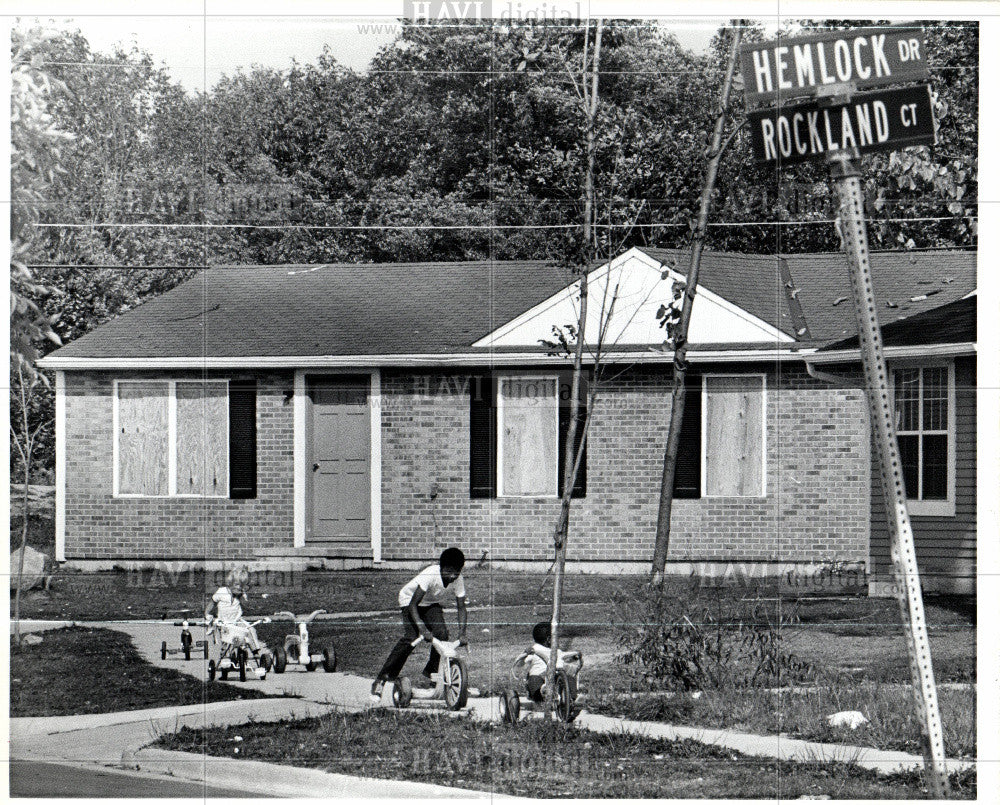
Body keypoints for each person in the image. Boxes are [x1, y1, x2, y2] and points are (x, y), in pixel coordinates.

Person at [370, 547, 468, 700]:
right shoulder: (430, 574)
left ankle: (433, 677)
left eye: (456, 572)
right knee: (412, 637)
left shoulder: (458, 578)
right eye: (449, 572)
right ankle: (381, 680)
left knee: (441, 634)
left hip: (430, 603)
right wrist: (422, 628)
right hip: (409, 600)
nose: (452, 576)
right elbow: (413, 604)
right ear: (441, 567)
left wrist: (462, 633)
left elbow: (461, 607)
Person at [205, 565, 263, 653]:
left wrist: (242, 596)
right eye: (236, 584)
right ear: (230, 583)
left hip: (237, 620)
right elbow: (212, 602)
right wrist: (207, 614)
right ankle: (226, 655)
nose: (239, 587)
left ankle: (255, 651)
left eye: (242, 585)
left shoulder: (240, 594)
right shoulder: (222, 592)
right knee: (227, 640)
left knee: (250, 629)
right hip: (224, 621)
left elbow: (247, 605)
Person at [523, 621, 579, 708]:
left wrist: (575, 656)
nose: (558, 641)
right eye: (556, 638)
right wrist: (525, 654)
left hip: (556, 676)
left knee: (569, 677)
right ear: (549, 640)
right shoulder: (534, 650)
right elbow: (524, 661)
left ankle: (572, 699)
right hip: (540, 676)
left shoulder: (557, 651)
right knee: (534, 679)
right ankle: (541, 693)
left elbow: (565, 657)